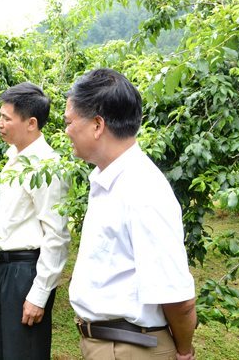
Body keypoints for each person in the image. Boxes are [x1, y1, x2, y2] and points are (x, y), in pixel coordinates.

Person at [65, 68, 197, 360]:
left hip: (128, 349)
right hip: (110, 345)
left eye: (70, 122)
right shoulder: (109, 179)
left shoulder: (143, 190)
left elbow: (178, 297)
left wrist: (184, 351)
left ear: (97, 125)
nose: (67, 131)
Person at [0, 82, 71, 360]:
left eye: (6, 118)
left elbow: (56, 235)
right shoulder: (14, 157)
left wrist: (39, 294)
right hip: (4, 270)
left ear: (31, 123)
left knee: (23, 353)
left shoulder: (45, 166)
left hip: (26, 272)